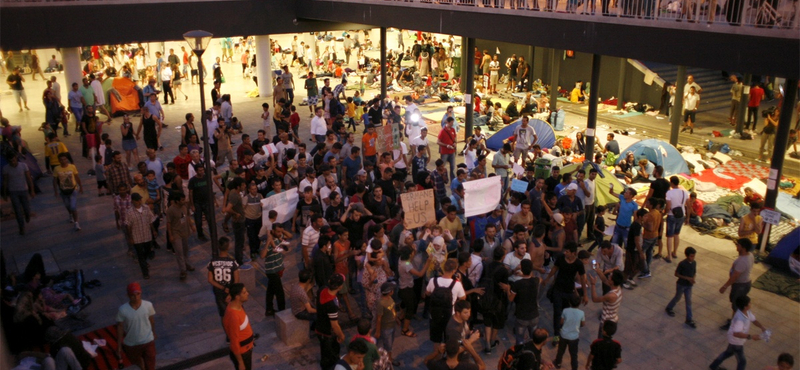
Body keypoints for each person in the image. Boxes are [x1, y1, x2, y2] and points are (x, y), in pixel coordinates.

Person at [541, 242, 587, 347]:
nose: (565, 252)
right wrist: (548, 279)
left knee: (565, 312)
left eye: (567, 251)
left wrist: (585, 294)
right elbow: (554, 269)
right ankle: (557, 335)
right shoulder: (561, 259)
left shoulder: (578, 264)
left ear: (573, 253)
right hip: (558, 289)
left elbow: (583, 279)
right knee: (557, 313)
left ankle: (562, 329)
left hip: (569, 291)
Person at [709, 295, 767, 370]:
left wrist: (761, 327)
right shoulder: (740, 319)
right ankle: (714, 366)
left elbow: (753, 320)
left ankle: (713, 366)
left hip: (735, 340)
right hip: (736, 342)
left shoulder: (747, 312)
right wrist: (751, 337)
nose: (750, 304)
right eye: (749, 303)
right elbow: (736, 333)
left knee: (728, 353)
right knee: (742, 362)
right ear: (745, 306)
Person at [116, 282, 156, 370]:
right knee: (137, 361)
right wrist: (119, 346)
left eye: (138, 294)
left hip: (148, 340)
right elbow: (120, 327)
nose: (136, 297)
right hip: (131, 343)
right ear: (128, 295)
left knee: (151, 363)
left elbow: (151, 320)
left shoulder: (148, 305)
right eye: (133, 295)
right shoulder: (123, 310)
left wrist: (153, 333)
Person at [719, 238, 755, 330]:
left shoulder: (742, 261)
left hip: (740, 286)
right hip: (744, 284)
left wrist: (725, 286)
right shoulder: (750, 255)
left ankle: (733, 324)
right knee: (736, 304)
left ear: (743, 248)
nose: (737, 246)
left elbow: (734, 277)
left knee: (736, 306)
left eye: (738, 245)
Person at [316, 274, 347, 370]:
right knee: (331, 358)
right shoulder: (331, 304)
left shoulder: (322, 290)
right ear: (340, 287)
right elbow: (334, 325)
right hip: (327, 333)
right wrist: (341, 335)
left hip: (319, 328)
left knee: (325, 353)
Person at [223, 283, 257, 370]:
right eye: (244, 292)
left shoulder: (236, 305)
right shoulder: (234, 316)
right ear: (237, 297)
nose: (247, 293)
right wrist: (240, 363)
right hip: (243, 353)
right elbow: (234, 342)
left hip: (247, 349)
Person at [665, 247, 697, 328]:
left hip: (689, 286)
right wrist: (686, 278)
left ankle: (689, 319)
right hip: (681, 285)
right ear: (687, 256)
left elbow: (694, 272)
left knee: (688, 301)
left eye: (693, 256)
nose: (692, 258)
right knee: (678, 297)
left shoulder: (694, 263)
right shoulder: (682, 264)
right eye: (691, 256)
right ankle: (669, 307)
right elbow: (676, 274)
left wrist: (693, 278)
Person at [3, 154, 35, 235]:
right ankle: (21, 227)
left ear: (16, 159)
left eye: (13, 160)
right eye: (10, 161)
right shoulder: (6, 168)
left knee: (26, 208)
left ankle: (27, 215)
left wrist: (32, 190)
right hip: (13, 191)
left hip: (23, 189)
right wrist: (5, 193)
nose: (12, 162)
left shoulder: (23, 166)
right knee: (17, 210)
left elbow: (29, 178)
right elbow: (5, 181)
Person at [166, 192, 195, 280]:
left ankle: (186, 264)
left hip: (185, 232)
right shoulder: (171, 210)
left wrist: (191, 226)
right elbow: (168, 223)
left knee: (185, 250)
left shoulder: (184, 207)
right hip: (176, 233)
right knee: (179, 252)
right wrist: (170, 235)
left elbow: (187, 217)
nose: (184, 201)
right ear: (177, 201)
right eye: (182, 200)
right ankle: (183, 270)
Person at [553, 294, 584, 370]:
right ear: (579, 303)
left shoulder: (565, 310)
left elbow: (561, 322)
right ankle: (574, 367)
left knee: (561, 351)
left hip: (564, 335)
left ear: (570, 302)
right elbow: (583, 324)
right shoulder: (581, 313)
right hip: (574, 337)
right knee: (574, 354)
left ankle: (558, 363)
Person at [53, 153, 83, 231]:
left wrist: (81, 187)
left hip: (73, 189)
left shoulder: (72, 167)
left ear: (67, 159)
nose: (63, 161)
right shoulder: (57, 169)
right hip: (63, 191)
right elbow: (55, 180)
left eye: (65, 159)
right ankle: (70, 214)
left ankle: (76, 223)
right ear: (59, 160)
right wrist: (55, 191)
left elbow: (76, 177)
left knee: (73, 206)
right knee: (67, 205)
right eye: (61, 160)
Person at [665, 176, 689, 261]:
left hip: (672, 215)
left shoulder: (669, 193)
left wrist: (665, 213)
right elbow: (688, 205)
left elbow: (668, 206)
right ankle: (675, 252)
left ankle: (669, 256)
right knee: (676, 234)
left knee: (670, 236)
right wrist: (687, 217)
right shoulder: (684, 192)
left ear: (671, 183)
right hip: (681, 215)